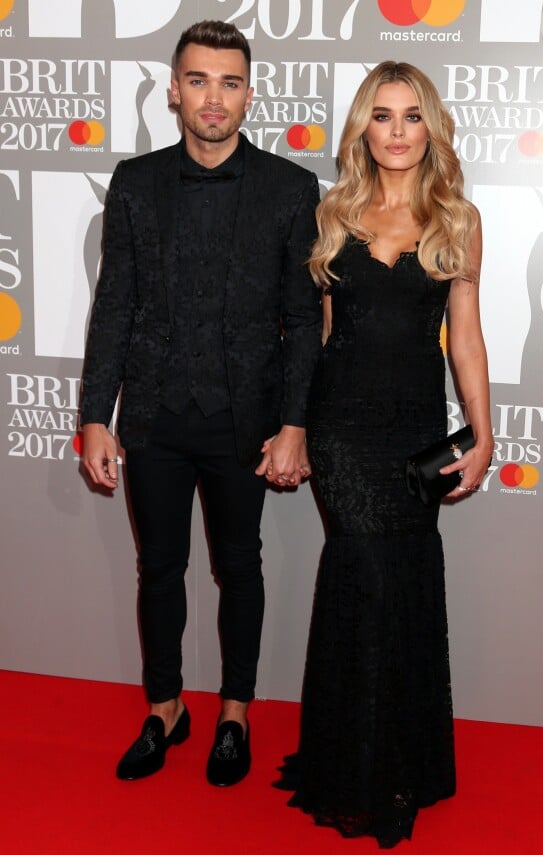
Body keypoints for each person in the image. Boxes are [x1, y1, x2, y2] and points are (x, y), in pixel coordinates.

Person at [80, 20, 320, 786]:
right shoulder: (135, 181)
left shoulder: (289, 188)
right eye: (198, 80)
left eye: (229, 82)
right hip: (152, 416)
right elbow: (114, 305)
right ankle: (165, 708)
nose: (213, 98)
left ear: (250, 93)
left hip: (243, 422)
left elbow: (303, 320)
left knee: (240, 567)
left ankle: (235, 713)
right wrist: (94, 416)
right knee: (159, 568)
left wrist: (294, 423)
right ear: (175, 88)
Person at [278, 62, 494, 847]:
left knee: (404, 581)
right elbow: (319, 336)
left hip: (415, 429)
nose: (397, 131)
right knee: (364, 574)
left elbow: (464, 337)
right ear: (362, 128)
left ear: (429, 126)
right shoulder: (332, 214)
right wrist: (295, 425)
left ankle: (401, 759)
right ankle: (357, 768)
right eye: (382, 115)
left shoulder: (458, 219)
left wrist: (484, 431)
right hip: (343, 429)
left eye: (410, 116)